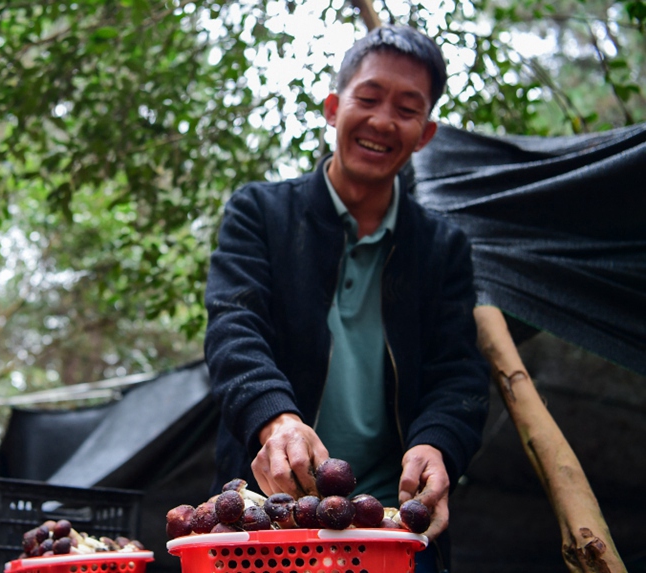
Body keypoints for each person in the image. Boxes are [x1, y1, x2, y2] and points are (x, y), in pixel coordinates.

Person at [203, 25, 489, 572]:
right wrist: (276, 420)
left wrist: (438, 444)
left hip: (391, 526)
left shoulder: (443, 248)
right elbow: (234, 327)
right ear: (334, 108)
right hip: (270, 519)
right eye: (369, 97)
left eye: (408, 108)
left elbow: (459, 372)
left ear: (424, 135)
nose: (383, 121)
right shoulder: (260, 214)